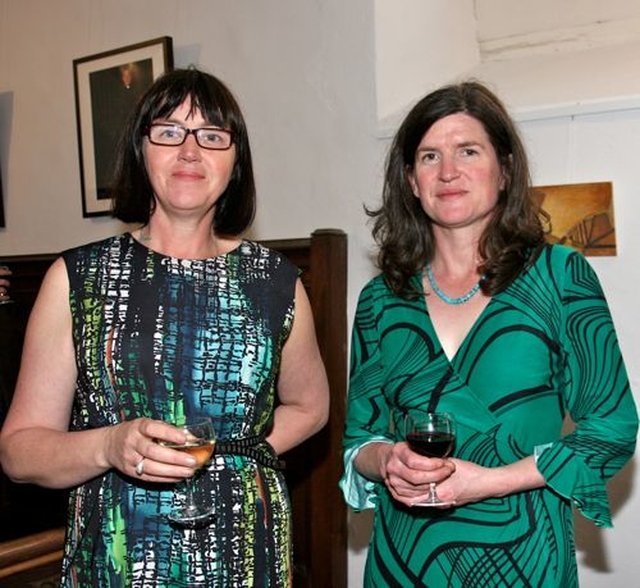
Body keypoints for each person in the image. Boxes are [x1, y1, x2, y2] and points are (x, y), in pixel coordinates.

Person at [0, 67, 330, 586]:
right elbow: (19, 451)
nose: (191, 151)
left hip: (246, 553)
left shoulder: (277, 283)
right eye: (170, 131)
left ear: (235, 160)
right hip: (116, 555)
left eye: (212, 136)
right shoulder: (77, 279)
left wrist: (229, 455)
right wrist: (108, 446)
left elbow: (311, 406)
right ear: (140, 149)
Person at [340, 81, 638, 586]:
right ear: (411, 180)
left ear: (504, 169)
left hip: (523, 557)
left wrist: (492, 482)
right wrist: (386, 459)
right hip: (404, 562)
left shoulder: (559, 277)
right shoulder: (380, 299)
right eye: (429, 156)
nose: (448, 172)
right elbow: (357, 439)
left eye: (468, 151)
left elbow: (611, 427)